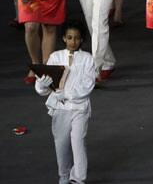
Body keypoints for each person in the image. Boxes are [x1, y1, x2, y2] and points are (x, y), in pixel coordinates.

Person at [34, 20, 97, 184]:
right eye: (69, 37)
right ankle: (63, 175)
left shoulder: (87, 58)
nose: (73, 41)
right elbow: (42, 86)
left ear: (81, 39)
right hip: (60, 108)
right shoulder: (55, 57)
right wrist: (43, 83)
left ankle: (78, 177)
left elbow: (88, 85)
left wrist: (66, 93)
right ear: (63, 38)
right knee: (61, 142)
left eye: (76, 38)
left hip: (79, 107)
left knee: (78, 140)